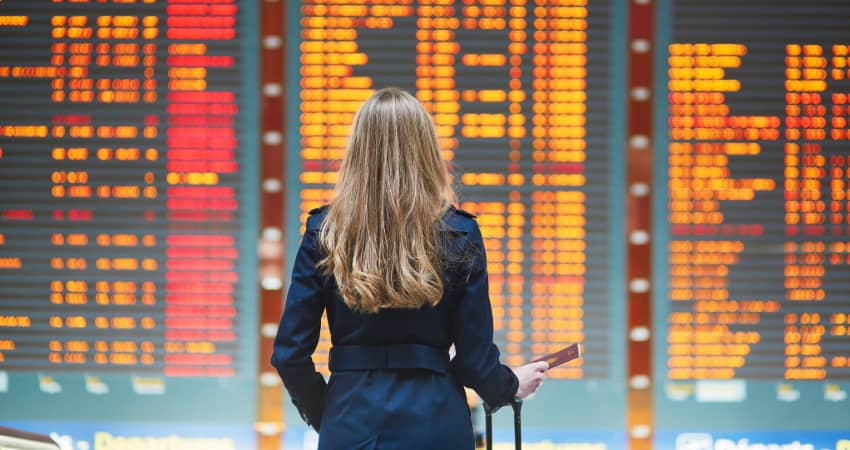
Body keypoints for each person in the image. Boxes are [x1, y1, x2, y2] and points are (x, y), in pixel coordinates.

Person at [271, 87, 548, 450]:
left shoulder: (325, 232)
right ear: (426, 150)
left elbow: (290, 354)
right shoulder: (460, 233)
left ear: (356, 152)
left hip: (350, 423)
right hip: (437, 424)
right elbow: (473, 359)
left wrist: (330, 415)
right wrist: (509, 384)